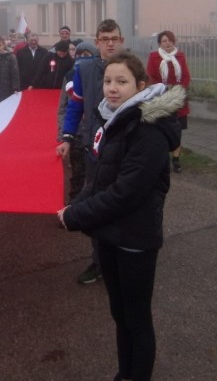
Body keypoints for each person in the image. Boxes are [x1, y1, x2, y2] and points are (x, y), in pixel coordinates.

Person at [58, 52, 184, 381]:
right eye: (108, 81)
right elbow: (101, 181)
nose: (112, 89)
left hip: (135, 240)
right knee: (120, 314)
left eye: (122, 82)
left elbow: (125, 193)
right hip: (110, 236)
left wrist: (75, 217)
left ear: (141, 86)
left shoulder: (148, 130)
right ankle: (124, 374)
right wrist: (74, 207)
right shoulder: (113, 120)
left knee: (137, 319)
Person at [56, 18, 126, 284]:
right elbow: (75, 106)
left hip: (124, 148)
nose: (110, 43)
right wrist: (66, 137)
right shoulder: (83, 69)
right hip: (93, 148)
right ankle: (99, 261)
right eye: (104, 39)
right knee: (96, 203)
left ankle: (123, 258)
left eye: (114, 39)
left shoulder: (133, 69)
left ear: (121, 41)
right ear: (97, 42)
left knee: (123, 202)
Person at [56, 41, 98, 203]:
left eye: (86, 55)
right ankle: (73, 204)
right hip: (76, 134)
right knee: (77, 172)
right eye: (78, 55)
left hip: (94, 134)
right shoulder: (69, 76)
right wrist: (63, 134)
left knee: (95, 173)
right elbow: (63, 107)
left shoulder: (98, 76)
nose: (81, 58)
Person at [146, 31, 191, 173]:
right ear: (160, 43)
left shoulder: (180, 56)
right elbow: (151, 76)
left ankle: (176, 159)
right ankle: (162, 157)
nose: (168, 43)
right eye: (165, 41)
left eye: (170, 40)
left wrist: (178, 90)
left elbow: (185, 76)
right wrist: (163, 91)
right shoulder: (154, 57)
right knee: (162, 129)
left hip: (178, 100)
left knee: (177, 130)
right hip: (162, 99)